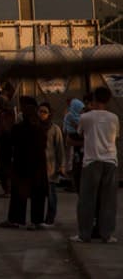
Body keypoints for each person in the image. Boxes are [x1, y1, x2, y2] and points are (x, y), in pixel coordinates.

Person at [72, 85, 119, 244]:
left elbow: (79, 132)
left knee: (87, 200)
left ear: (93, 99)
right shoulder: (114, 118)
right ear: (108, 100)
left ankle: (84, 234)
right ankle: (107, 235)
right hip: (110, 161)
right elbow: (115, 137)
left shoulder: (86, 117)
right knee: (108, 200)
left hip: (91, 161)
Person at [0, 96, 48, 230]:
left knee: (19, 193)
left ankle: (16, 219)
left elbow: (9, 143)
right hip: (37, 165)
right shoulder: (40, 128)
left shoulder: (18, 128)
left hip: (21, 165)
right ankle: (36, 221)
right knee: (37, 193)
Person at [38, 101, 65, 224]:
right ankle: (38, 218)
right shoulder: (35, 127)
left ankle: (50, 218)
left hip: (51, 167)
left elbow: (60, 148)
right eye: (40, 111)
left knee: (51, 195)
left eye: (45, 112)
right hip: (38, 167)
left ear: (49, 114)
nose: (42, 114)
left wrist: (61, 165)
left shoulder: (55, 129)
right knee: (38, 194)